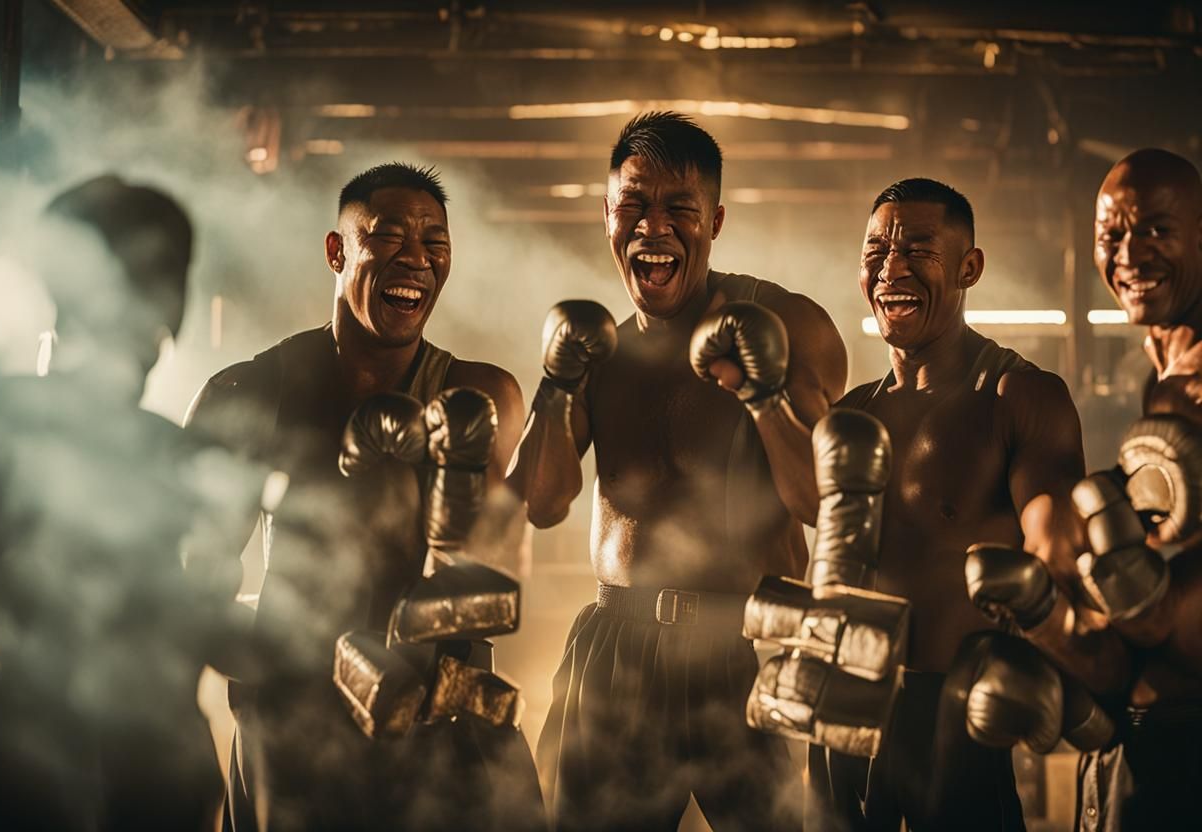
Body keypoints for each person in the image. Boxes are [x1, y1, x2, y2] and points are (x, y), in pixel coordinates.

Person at [509, 111, 847, 831]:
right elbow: (542, 504)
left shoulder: (788, 322)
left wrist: (763, 394)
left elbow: (827, 504)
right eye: (631, 206)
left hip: (748, 642)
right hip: (617, 641)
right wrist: (555, 384)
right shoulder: (598, 349)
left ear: (715, 220)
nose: (651, 227)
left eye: (677, 209)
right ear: (606, 215)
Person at [184, 162, 541, 831]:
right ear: (336, 250)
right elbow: (195, 564)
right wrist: (268, 661)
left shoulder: (481, 395)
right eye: (391, 237)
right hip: (297, 725)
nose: (417, 259)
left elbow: (498, 569)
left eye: (435, 243)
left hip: (447, 713)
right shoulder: (253, 391)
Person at [806, 177, 1101, 831]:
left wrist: (1047, 623)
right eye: (876, 250)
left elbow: (1052, 536)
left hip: (958, 712)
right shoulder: (853, 414)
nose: (892, 268)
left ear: (970, 266)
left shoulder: (1018, 396)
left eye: (917, 248)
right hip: (846, 707)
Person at [0, 175, 232, 831]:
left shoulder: (179, 456)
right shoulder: (3, 423)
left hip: (156, 776)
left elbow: (225, 637)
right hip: (32, 770)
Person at [1076, 148, 1202, 832]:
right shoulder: (1162, 373)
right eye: (1112, 235)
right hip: (1148, 730)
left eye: (1156, 230)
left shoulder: (1193, 386)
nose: (1129, 254)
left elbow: (1159, 610)